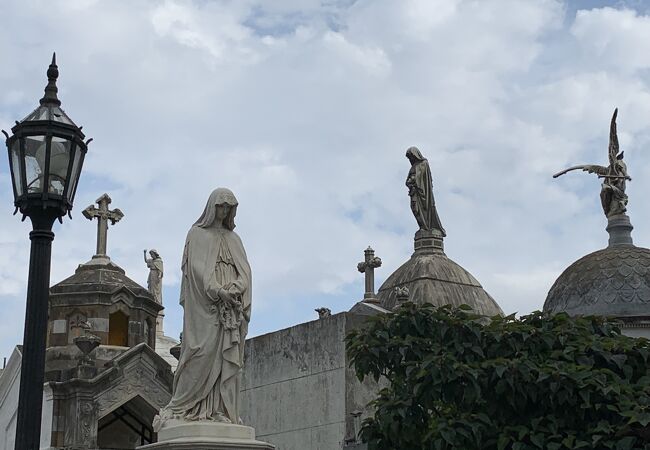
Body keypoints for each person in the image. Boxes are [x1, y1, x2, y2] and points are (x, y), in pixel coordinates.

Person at [157, 188, 251, 427]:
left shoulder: (234, 239)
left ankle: (220, 409)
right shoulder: (196, 234)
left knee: (225, 355)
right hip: (206, 305)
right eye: (221, 206)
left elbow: (245, 272)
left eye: (229, 208)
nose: (225, 211)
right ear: (212, 207)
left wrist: (236, 288)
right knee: (200, 352)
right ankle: (183, 407)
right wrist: (218, 291)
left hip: (230, 308)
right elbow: (197, 271)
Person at [405, 147, 446, 236]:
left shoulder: (424, 163)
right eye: (409, 158)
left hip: (422, 192)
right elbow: (408, 180)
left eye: (411, 156)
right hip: (414, 192)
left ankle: (427, 226)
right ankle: (422, 226)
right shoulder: (413, 167)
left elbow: (418, 176)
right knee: (415, 209)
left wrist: (412, 180)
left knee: (422, 209)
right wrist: (409, 182)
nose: (410, 159)